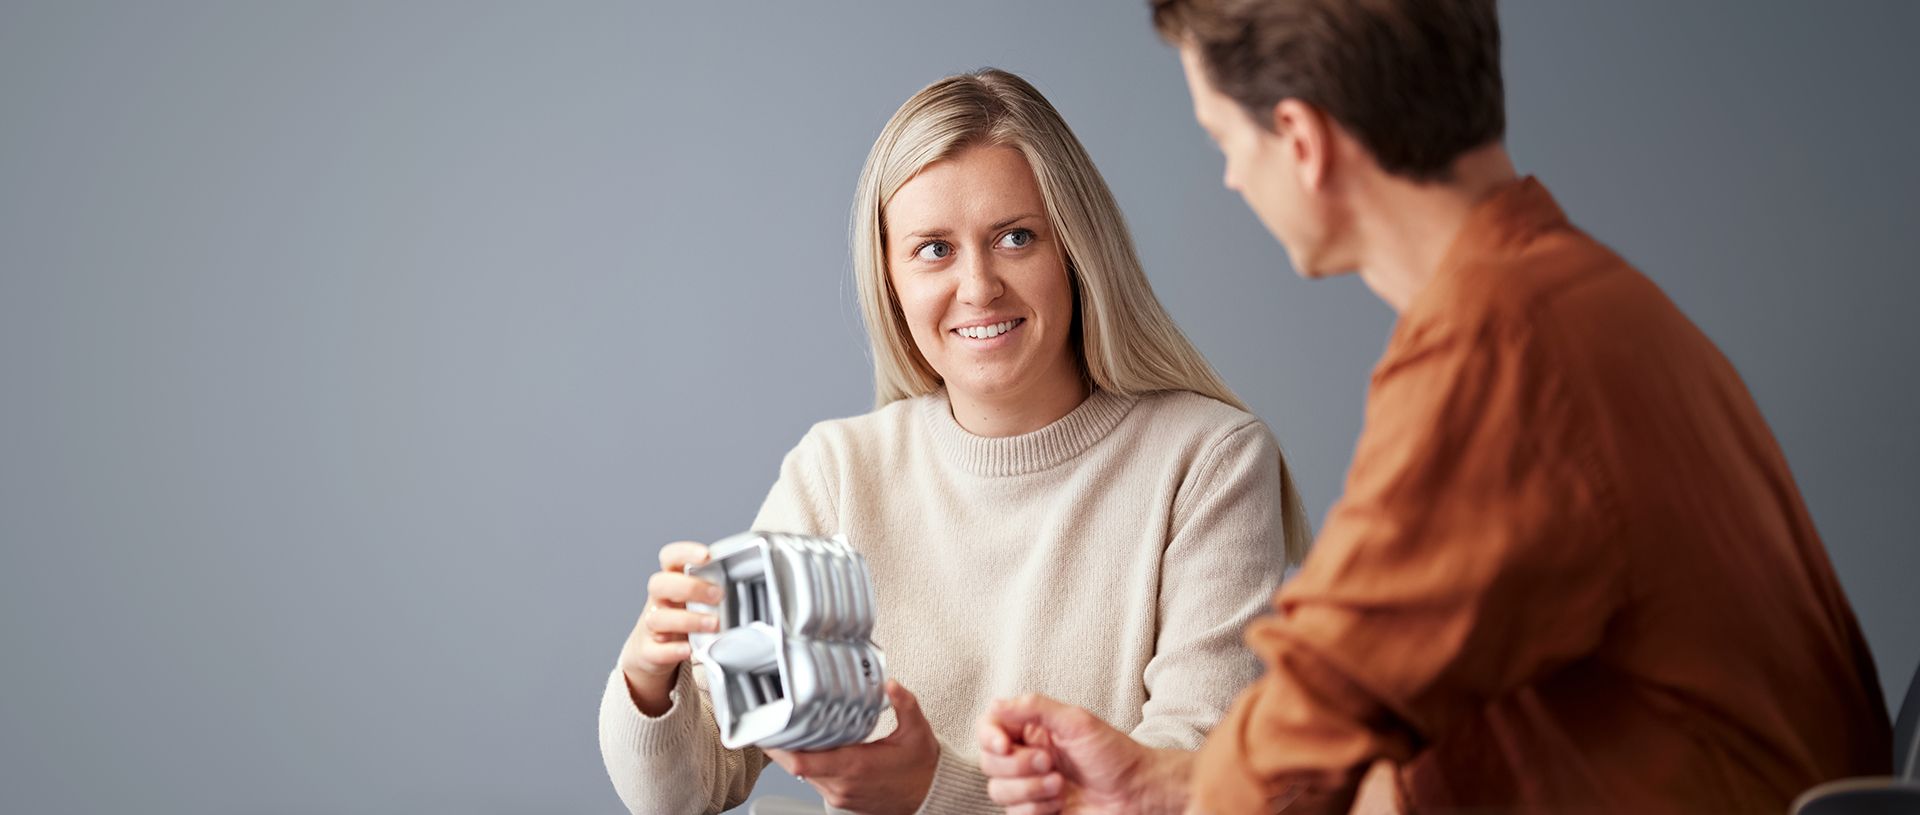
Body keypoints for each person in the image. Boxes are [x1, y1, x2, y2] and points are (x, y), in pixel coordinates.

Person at [976, 2, 1892, 814]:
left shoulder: (1497, 345)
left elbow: (1330, 689)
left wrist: (1187, 794)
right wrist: (1159, 784)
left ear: (1301, 139)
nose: (1230, 179)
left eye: (1226, 143)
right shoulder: (1585, 297)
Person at [599, 69, 1313, 815]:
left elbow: (1195, 787)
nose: (978, 287)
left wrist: (932, 790)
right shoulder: (837, 470)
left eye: (1015, 237)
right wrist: (654, 675)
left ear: (1074, 248)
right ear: (891, 278)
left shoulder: (1209, 460)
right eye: (933, 249)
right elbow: (688, 793)